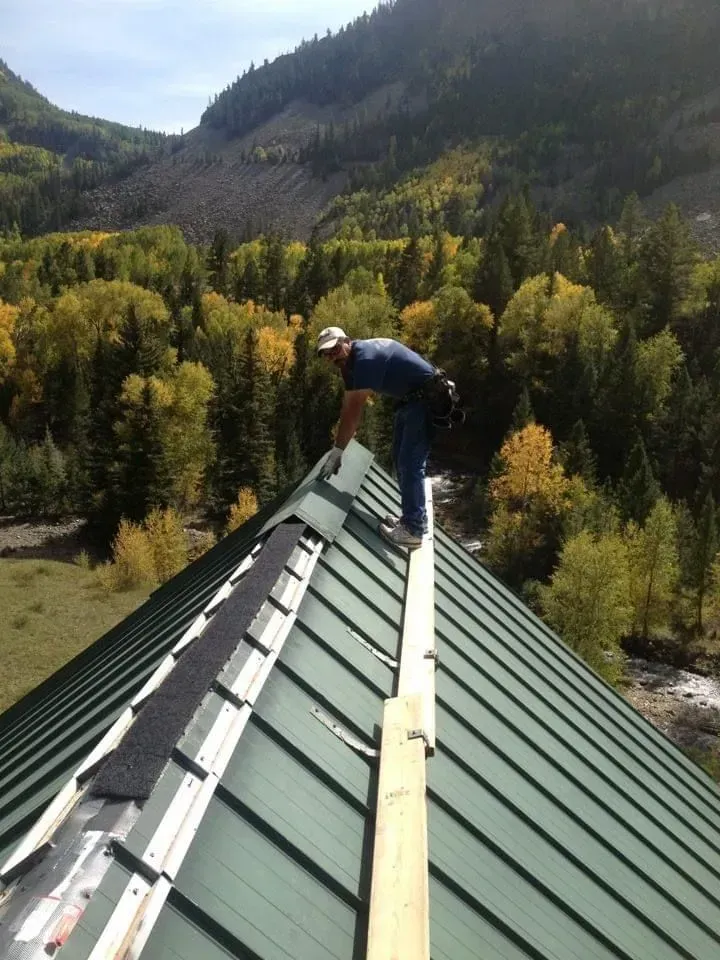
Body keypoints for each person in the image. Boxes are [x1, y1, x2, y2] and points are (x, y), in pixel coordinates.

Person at [316, 325, 436, 549]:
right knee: (401, 459)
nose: (332, 356)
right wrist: (339, 448)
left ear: (347, 341)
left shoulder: (365, 359)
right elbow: (347, 407)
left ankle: (414, 530)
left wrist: (337, 452)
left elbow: (352, 412)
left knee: (410, 463)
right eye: (327, 354)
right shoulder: (350, 364)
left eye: (335, 349)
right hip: (411, 401)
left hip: (425, 400)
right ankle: (412, 518)